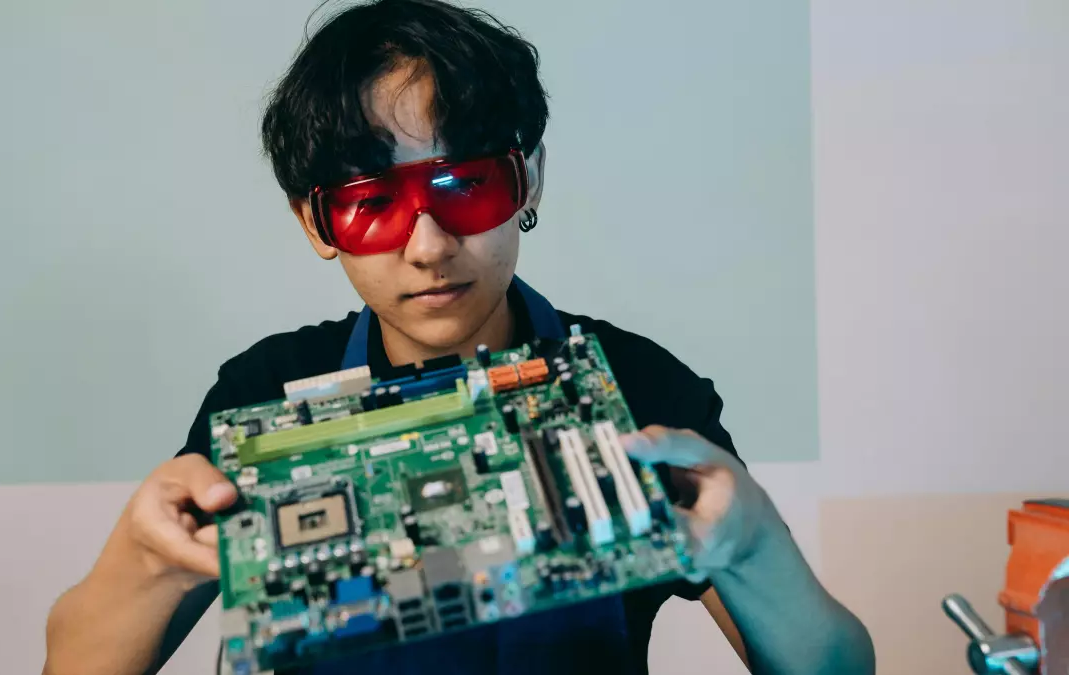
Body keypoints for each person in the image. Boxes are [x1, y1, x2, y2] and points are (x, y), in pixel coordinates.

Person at [42, 1, 875, 674]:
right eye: (373, 203)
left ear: (528, 179)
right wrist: (145, 561)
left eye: (466, 185)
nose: (431, 245)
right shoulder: (266, 392)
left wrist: (755, 540)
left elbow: (834, 667)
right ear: (316, 220)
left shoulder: (636, 388)